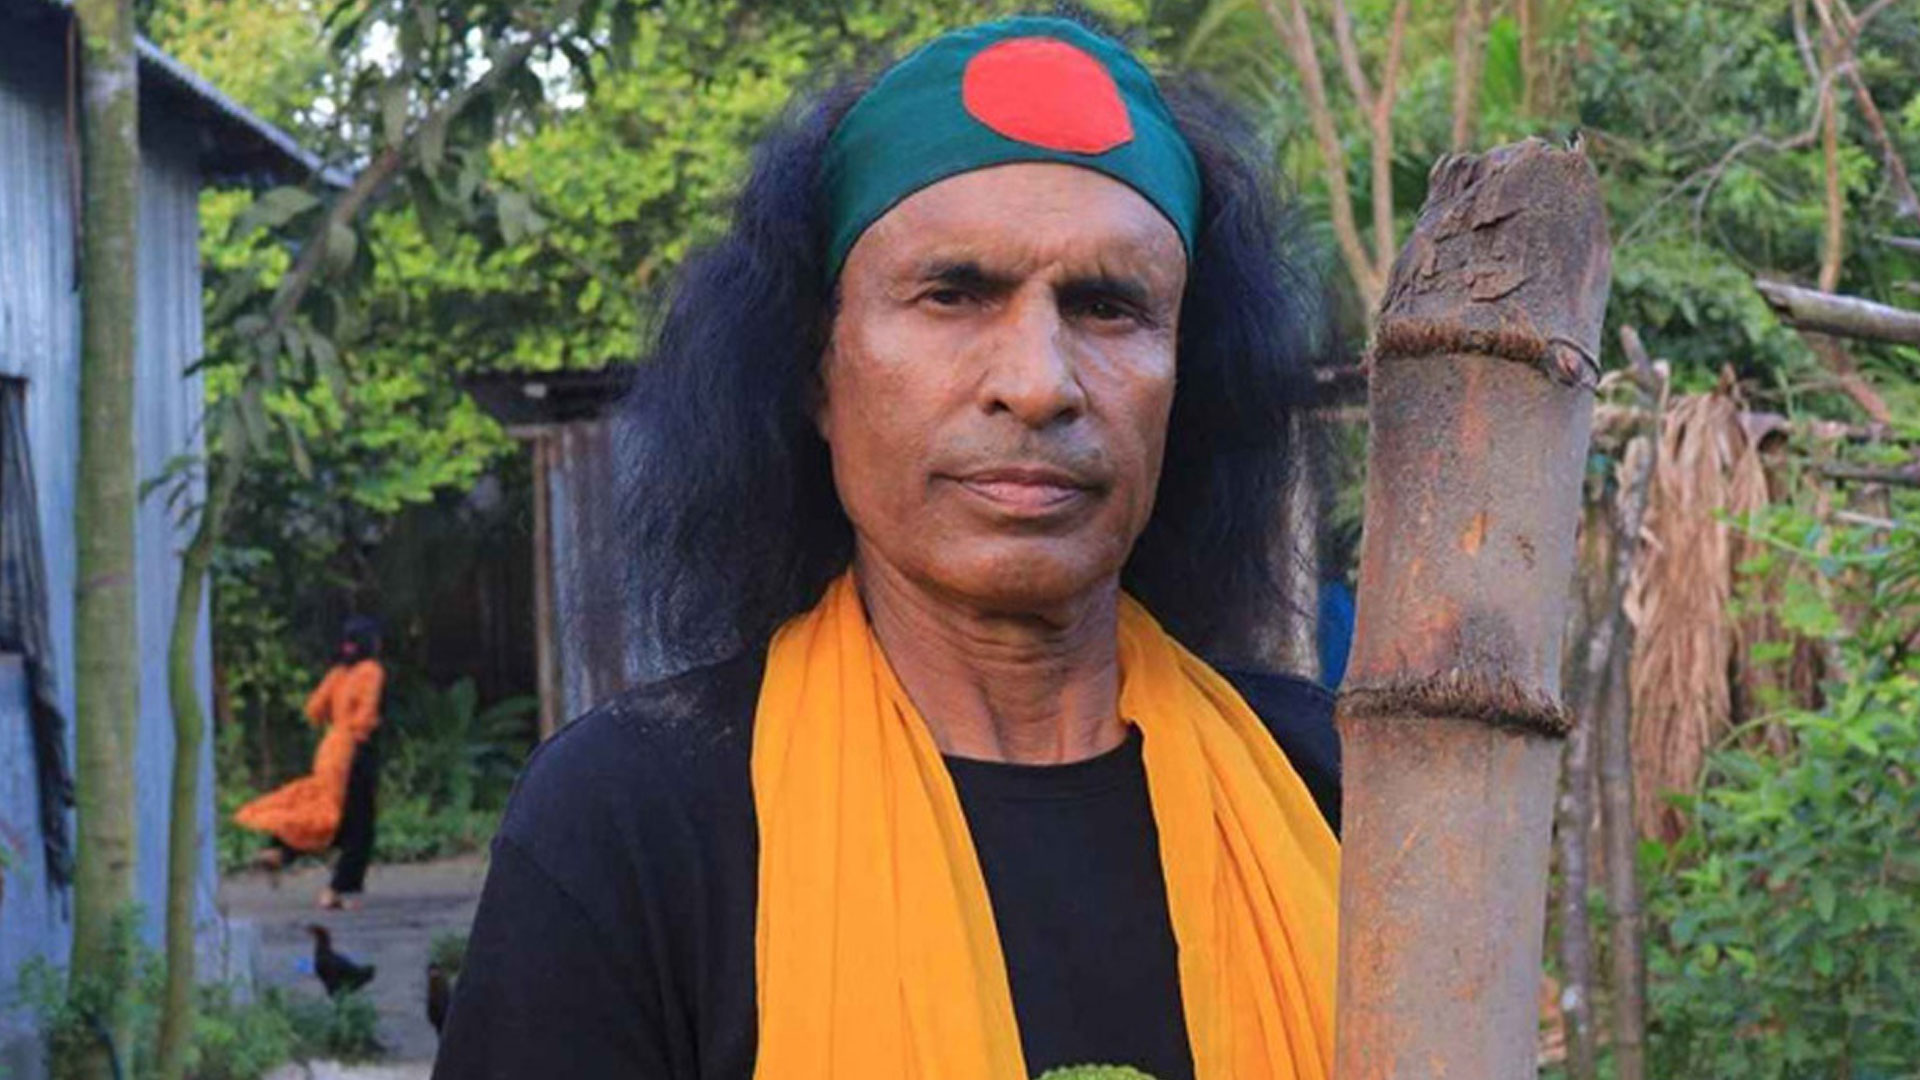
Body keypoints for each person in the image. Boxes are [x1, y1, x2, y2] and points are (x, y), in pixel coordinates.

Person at [437, 15, 1340, 1079]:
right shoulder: (636, 824)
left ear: (1187, 379)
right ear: (815, 371)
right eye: (953, 295)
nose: (1039, 384)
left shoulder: (1338, 789)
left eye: (1108, 307)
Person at [234, 615, 386, 911]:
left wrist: (336, 724)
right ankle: (337, 889)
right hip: (352, 752)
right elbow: (366, 716)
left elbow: (314, 709)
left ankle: (282, 850)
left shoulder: (338, 674)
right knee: (359, 826)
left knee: (328, 810)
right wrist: (357, 736)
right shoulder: (371, 671)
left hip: (328, 749)